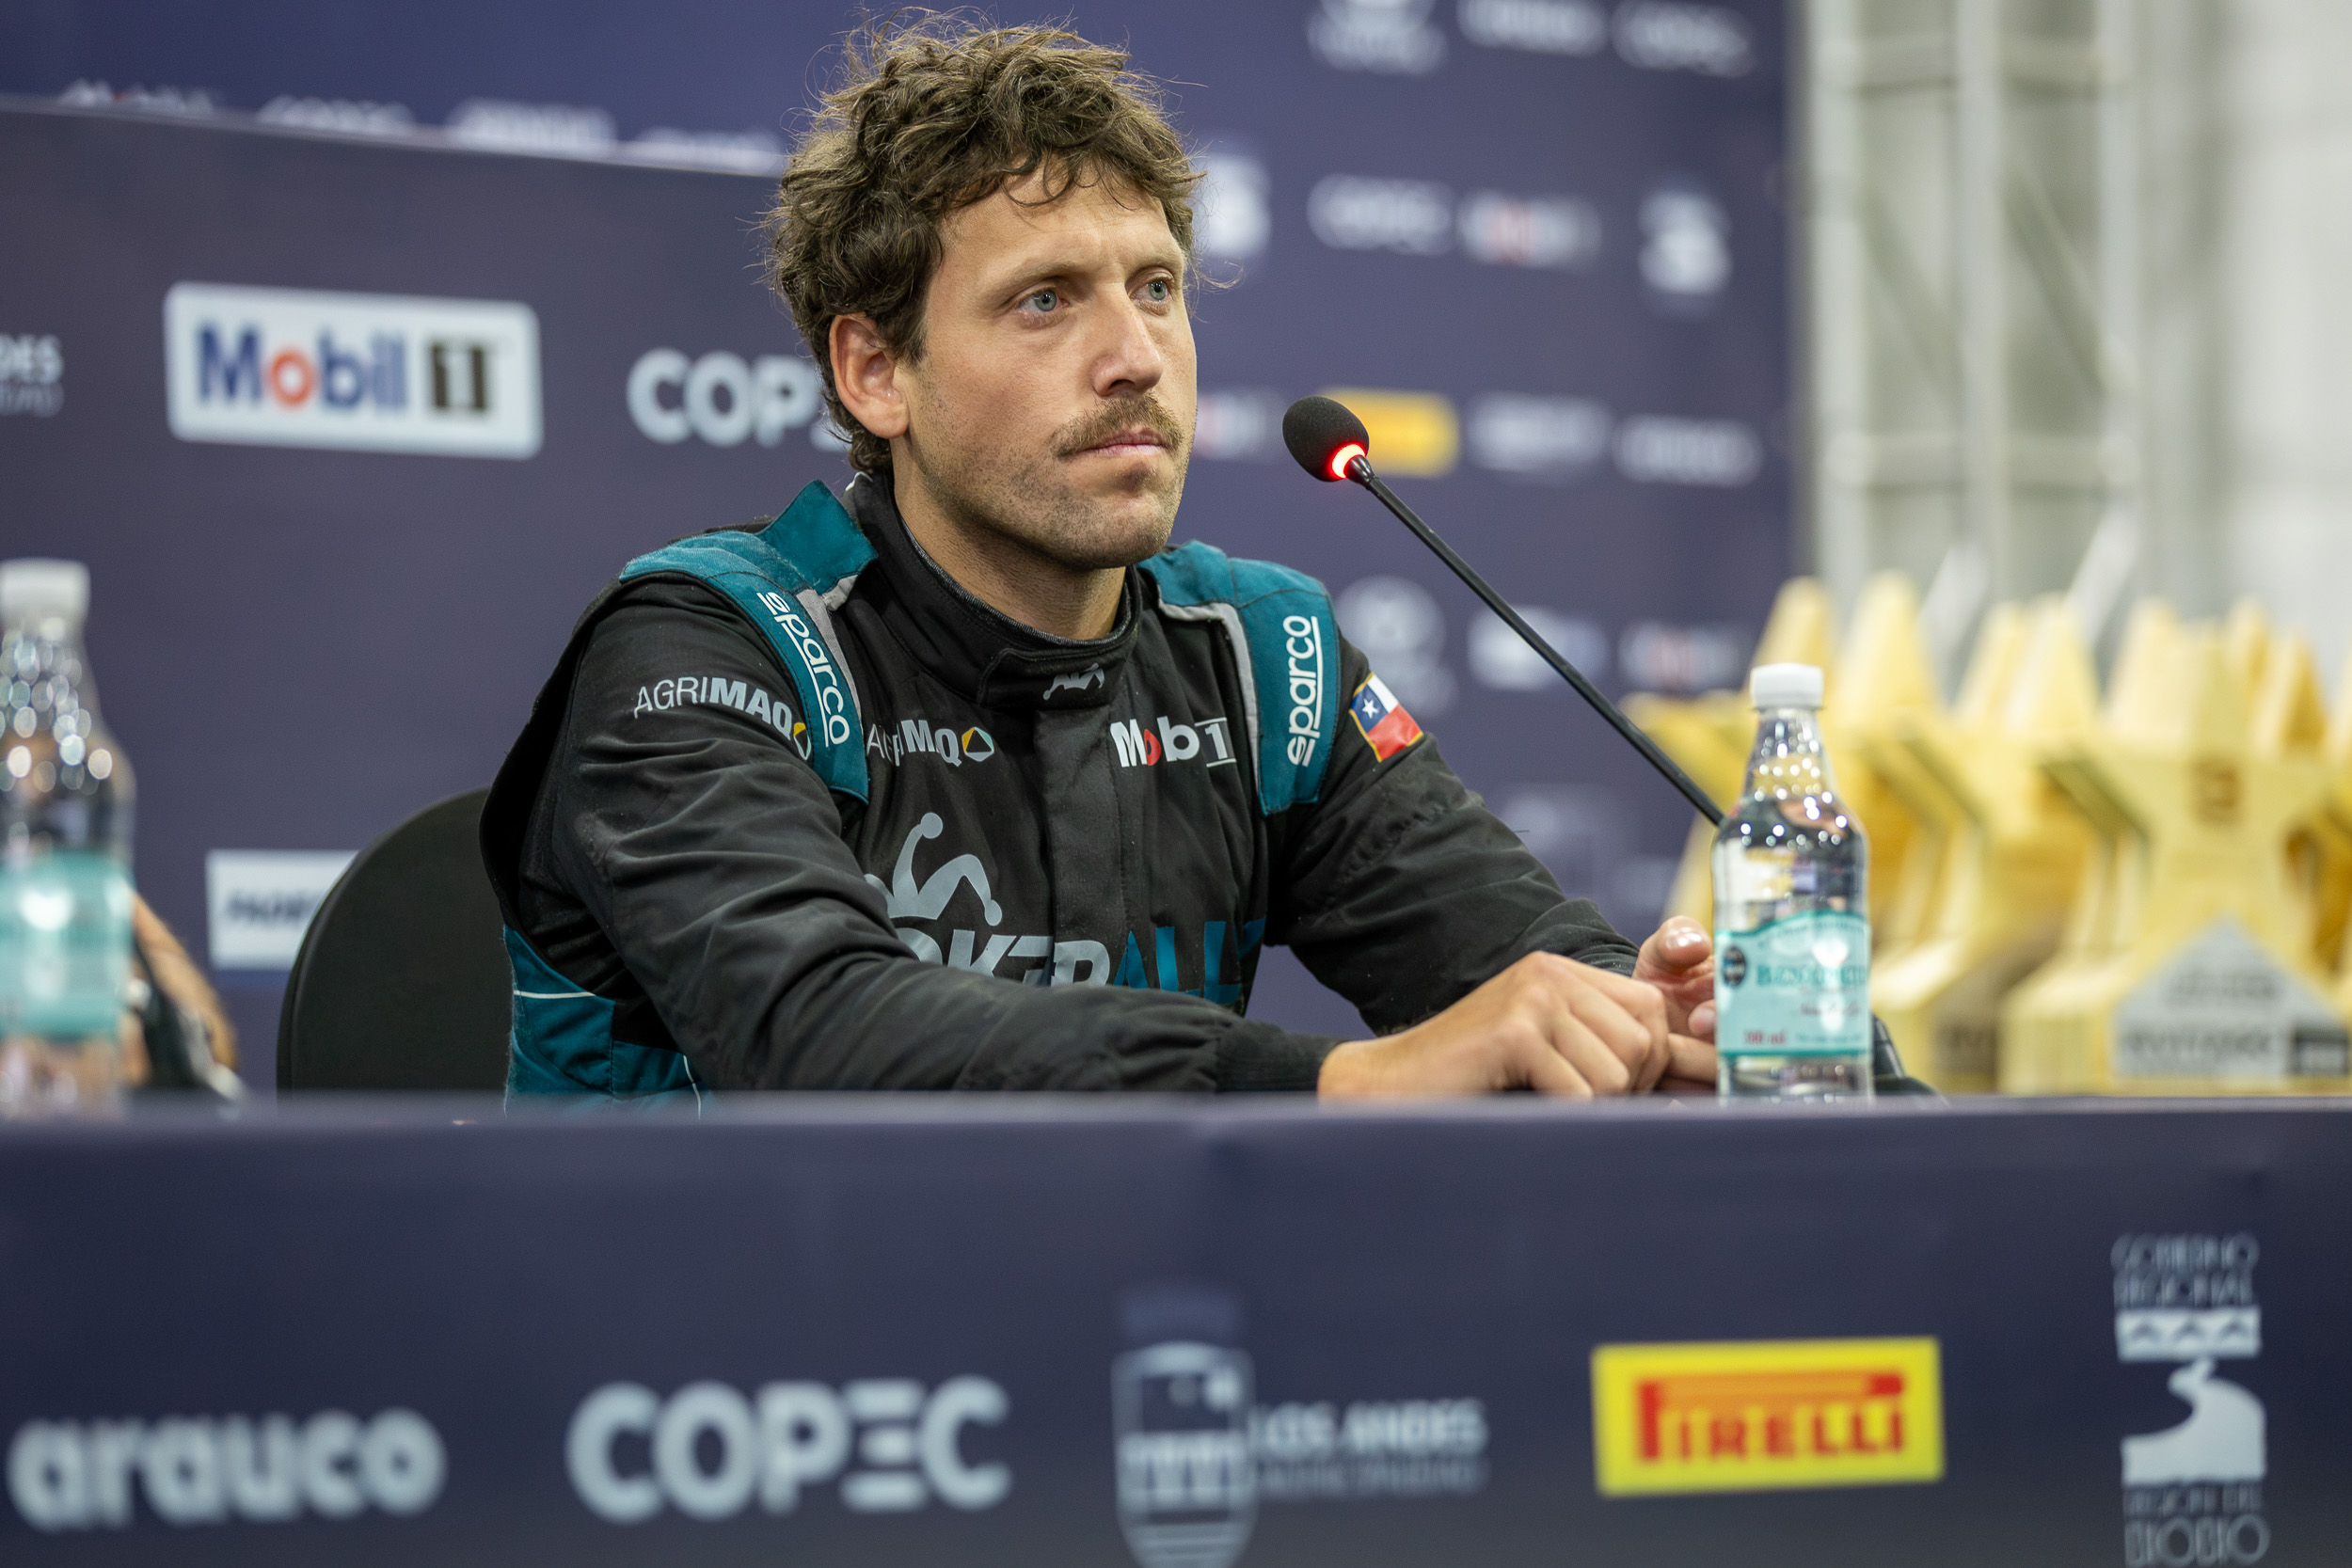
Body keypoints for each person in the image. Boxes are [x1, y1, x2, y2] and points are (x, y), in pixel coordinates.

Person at [480, 18, 1718, 1101]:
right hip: (718, 1299)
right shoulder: (706, 646)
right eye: (1046, 299)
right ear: (877, 371)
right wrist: (1346, 1081)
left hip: (1115, 1294)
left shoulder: (1263, 659)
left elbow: (1514, 961)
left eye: (1158, 288)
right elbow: (820, 1033)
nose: (1136, 358)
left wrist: (1644, 1023)